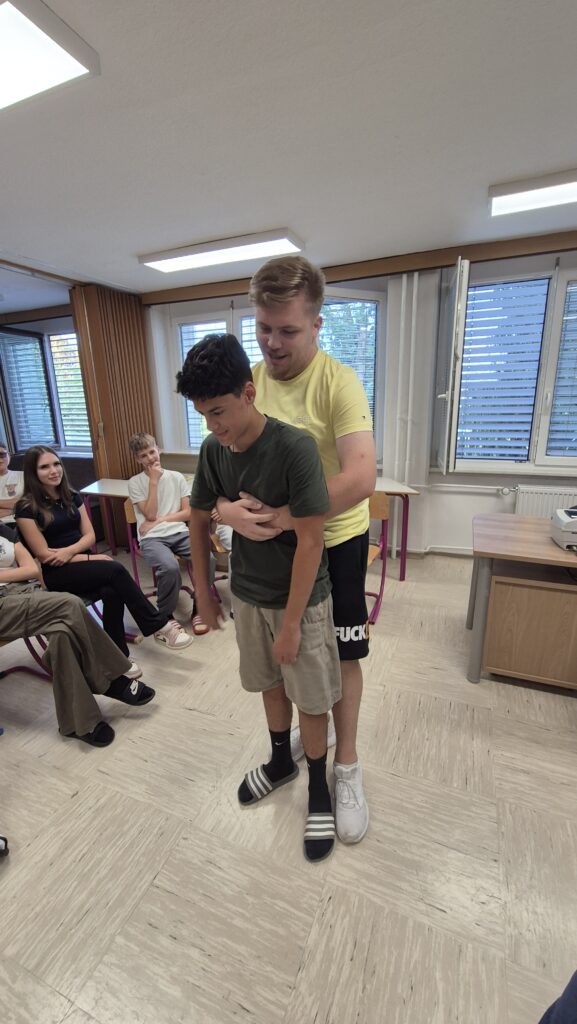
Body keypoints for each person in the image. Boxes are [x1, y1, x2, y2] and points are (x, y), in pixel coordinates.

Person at [215, 255, 376, 844]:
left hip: (335, 542)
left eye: (288, 330)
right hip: (272, 556)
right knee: (282, 656)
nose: (273, 343)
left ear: (316, 324)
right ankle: (288, 755)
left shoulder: (339, 383)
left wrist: (290, 514)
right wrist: (226, 510)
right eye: (263, 328)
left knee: (342, 656)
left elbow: (361, 476)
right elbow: (221, 465)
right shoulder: (249, 385)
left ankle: (346, 767)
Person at [177, 333, 341, 863]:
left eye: (218, 412)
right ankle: (280, 762)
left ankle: (319, 788)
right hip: (247, 595)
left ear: (249, 393)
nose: (212, 426)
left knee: (311, 698)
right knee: (268, 684)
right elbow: (198, 519)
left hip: (301, 601)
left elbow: (312, 541)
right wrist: (206, 594)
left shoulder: (295, 448)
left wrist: (292, 625)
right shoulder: (213, 450)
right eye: (202, 415)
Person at [15, 446, 192, 675]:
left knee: (112, 590)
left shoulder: (71, 496)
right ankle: (159, 625)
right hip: (56, 573)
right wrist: (88, 556)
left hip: (81, 563)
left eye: (56, 464)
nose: (54, 470)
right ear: (33, 472)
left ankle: (118, 658)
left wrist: (76, 553)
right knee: (115, 569)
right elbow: (45, 555)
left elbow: (89, 536)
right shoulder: (26, 508)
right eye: (44, 467)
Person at [0, 522, 155, 746]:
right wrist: (15, 574)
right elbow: (27, 568)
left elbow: (31, 569)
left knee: (62, 633)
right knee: (70, 604)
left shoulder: (3, 529)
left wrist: (11, 575)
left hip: (23, 591)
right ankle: (110, 679)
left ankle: (79, 722)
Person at [127, 432, 212, 636]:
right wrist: (153, 482)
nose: (150, 458)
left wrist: (160, 520)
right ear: (137, 459)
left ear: (159, 450)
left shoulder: (176, 477)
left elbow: (188, 512)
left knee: (207, 558)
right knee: (170, 567)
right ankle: (165, 615)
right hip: (152, 537)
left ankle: (199, 607)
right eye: (143, 455)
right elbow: (150, 514)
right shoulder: (135, 482)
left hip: (179, 531)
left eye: (151, 452)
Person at [0, 441, 23, 517]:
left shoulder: (24, 476)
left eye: (2, 455)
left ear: (9, 455)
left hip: (22, 520)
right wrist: (14, 508)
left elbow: (30, 503)